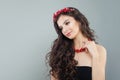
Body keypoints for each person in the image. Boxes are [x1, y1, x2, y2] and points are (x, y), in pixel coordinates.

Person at [47, 7, 107, 80]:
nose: (64, 30)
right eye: (61, 28)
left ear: (79, 20)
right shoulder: (59, 52)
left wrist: (95, 56)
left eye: (67, 23)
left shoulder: (99, 50)